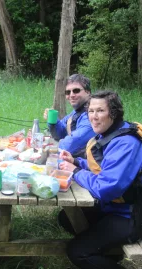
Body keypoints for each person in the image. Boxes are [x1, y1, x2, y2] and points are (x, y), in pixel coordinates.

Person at [58, 90, 142, 269]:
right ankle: (108, 254)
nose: (93, 117)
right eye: (91, 111)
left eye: (100, 111)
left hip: (130, 215)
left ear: (114, 113)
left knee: (77, 252)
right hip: (113, 207)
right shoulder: (110, 134)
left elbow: (106, 188)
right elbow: (103, 167)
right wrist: (76, 161)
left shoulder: (126, 143)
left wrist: (76, 171)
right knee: (67, 217)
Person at [43, 74, 95, 157]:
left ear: (88, 92)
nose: (71, 95)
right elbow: (60, 133)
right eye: (68, 92)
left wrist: (49, 146)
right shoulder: (76, 112)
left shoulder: (93, 114)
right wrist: (53, 121)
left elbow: (70, 145)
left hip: (86, 165)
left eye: (76, 90)